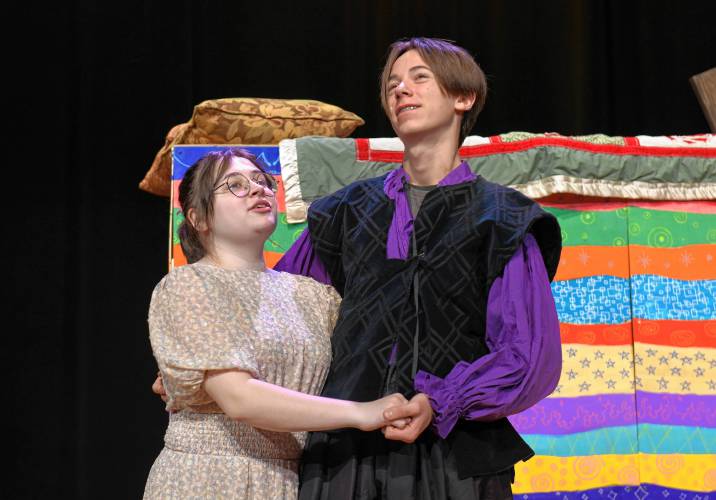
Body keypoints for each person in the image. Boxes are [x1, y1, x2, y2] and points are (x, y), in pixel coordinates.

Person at [274, 37, 564, 499]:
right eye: (392, 84)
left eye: (419, 78)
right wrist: (209, 361)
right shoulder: (347, 211)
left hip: (454, 459)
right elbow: (281, 307)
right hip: (347, 454)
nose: (400, 90)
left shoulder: (503, 218)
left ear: (462, 98)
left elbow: (527, 355)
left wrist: (442, 400)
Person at [144, 148, 408, 500]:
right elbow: (240, 398)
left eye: (261, 181)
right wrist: (362, 413)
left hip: (290, 479)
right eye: (234, 185)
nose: (257, 189)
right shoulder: (188, 285)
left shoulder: (314, 297)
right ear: (198, 217)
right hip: (208, 478)